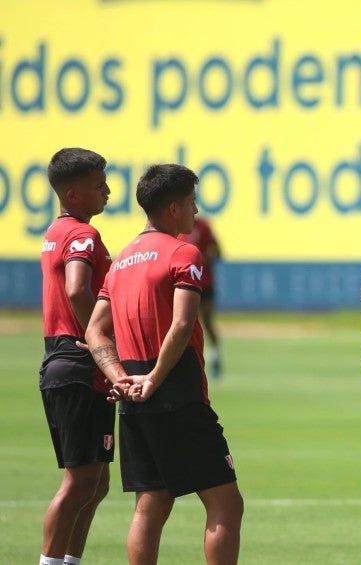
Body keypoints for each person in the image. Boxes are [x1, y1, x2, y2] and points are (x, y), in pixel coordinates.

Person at [84, 164, 244, 564]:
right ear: (173, 208)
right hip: (178, 393)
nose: (196, 209)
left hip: (133, 400)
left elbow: (94, 332)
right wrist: (154, 377)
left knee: (150, 505)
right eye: (192, 201)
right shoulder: (183, 252)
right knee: (226, 503)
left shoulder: (121, 262)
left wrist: (121, 380)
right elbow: (183, 322)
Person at [38, 148, 114, 565]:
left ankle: (69, 562)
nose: (107, 189)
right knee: (81, 480)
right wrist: (100, 340)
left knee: (95, 481)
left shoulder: (55, 231)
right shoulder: (83, 235)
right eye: (97, 183)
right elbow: (75, 288)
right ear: (73, 193)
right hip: (78, 359)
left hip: (63, 357)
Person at [179, 217, 223, 378]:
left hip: (205, 282)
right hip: (186, 284)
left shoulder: (202, 226)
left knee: (207, 321)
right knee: (187, 323)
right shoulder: (176, 229)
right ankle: (190, 359)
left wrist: (203, 259)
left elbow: (218, 251)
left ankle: (215, 356)